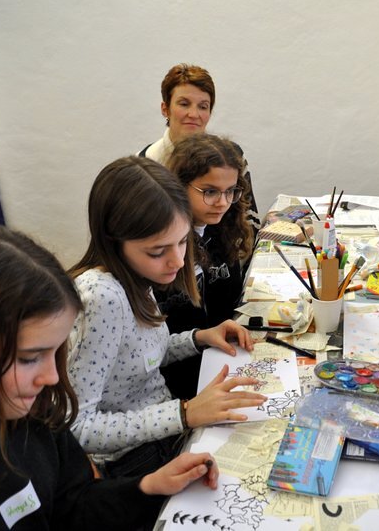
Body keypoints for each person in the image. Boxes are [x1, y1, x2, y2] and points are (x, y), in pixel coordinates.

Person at [0, 226, 220, 530]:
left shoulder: (36, 416)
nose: (52, 377)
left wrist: (148, 488)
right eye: (29, 358)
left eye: (57, 353)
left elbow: (74, 502)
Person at [67, 156, 267, 478]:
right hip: (135, 460)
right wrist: (184, 412)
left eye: (183, 242)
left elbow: (140, 356)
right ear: (114, 242)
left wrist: (199, 337)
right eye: (158, 251)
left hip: (167, 430)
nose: (177, 261)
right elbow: (78, 428)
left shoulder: (136, 276)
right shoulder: (102, 297)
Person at [157, 133, 256, 399]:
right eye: (210, 192)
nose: (222, 202)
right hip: (178, 378)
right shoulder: (164, 245)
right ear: (179, 186)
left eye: (230, 191)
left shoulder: (222, 227)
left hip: (221, 357)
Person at [138, 63, 260, 230]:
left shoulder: (232, 156)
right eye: (184, 104)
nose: (194, 114)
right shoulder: (144, 166)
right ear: (165, 109)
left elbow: (249, 225)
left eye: (203, 106)